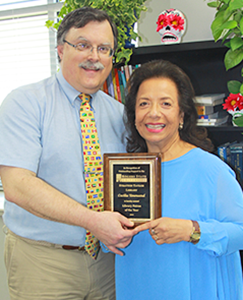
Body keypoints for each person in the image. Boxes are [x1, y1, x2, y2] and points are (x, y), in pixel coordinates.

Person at [0, 7, 136, 300]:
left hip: (109, 261)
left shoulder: (119, 114)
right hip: (44, 263)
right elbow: (17, 186)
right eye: (83, 45)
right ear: (61, 49)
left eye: (104, 48)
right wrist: (93, 221)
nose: (94, 56)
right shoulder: (24, 103)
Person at [115, 60, 243, 299]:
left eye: (166, 103)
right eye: (144, 104)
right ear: (134, 115)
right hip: (136, 287)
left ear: (181, 114)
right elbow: (111, 237)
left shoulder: (210, 169)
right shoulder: (124, 171)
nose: (154, 113)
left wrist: (191, 231)